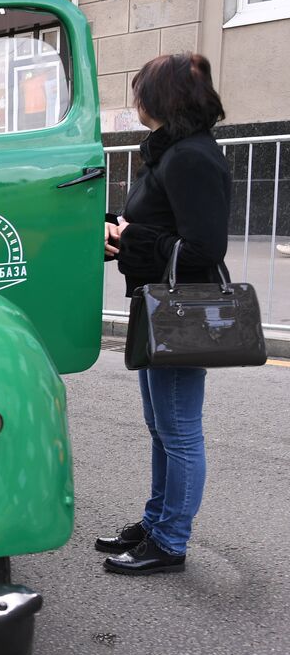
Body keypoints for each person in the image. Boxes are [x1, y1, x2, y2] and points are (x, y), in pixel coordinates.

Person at [97, 53, 231, 576]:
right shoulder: (171, 152)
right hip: (156, 302)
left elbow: (203, 247)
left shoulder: (190, 157)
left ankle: (170, 540)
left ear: (163, 98)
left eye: (142, 92)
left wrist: (132, 238)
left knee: (177, 430)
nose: (136, 101)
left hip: (179, 308)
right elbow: (158, 223)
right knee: (162, 427)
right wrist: (120, 228)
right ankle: (157, 522)